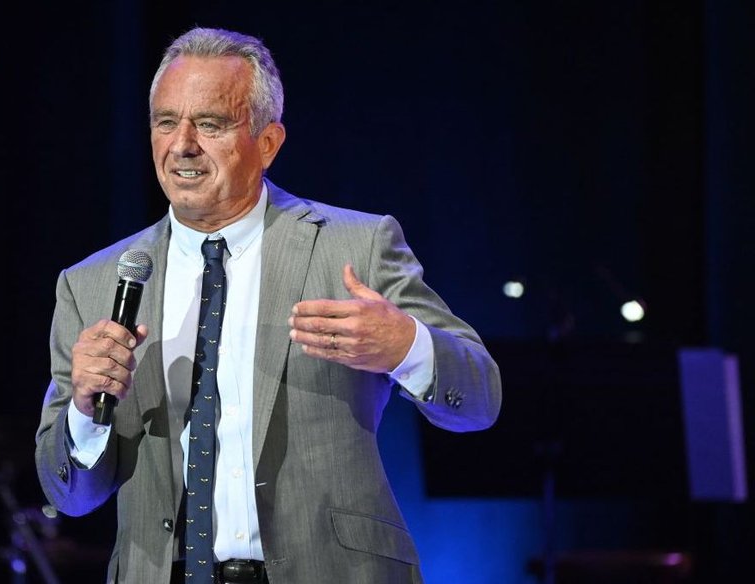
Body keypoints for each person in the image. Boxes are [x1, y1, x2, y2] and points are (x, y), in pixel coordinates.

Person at [35, 27, 501, 584]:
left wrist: (405, 346)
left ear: (269, 142)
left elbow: (479, 400)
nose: (182, 144)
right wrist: (85, 414)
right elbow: (67, 493)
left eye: (210, 124)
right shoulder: (91, 284)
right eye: (166, 121)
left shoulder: (354, 246)